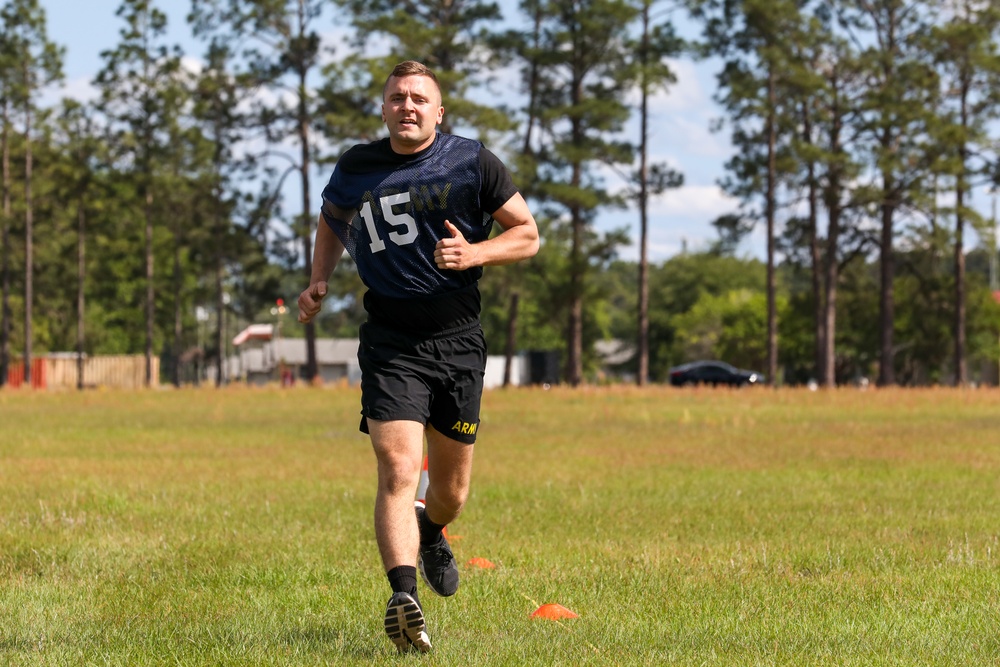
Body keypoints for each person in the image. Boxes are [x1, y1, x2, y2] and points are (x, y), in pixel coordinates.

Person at [297, 60, 539, 653]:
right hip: (390, 341)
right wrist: (318, 279)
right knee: (399, 468)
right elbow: (332, 220)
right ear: (383, 108)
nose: (407, 106)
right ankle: (403, 597)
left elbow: (528, 234)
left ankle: (434, 530)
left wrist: (477, 253)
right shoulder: (357, 165)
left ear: (438, 111)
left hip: (457, 340)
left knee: (451, 491)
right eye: (397, 97)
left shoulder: (471, 160)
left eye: (419, 99)